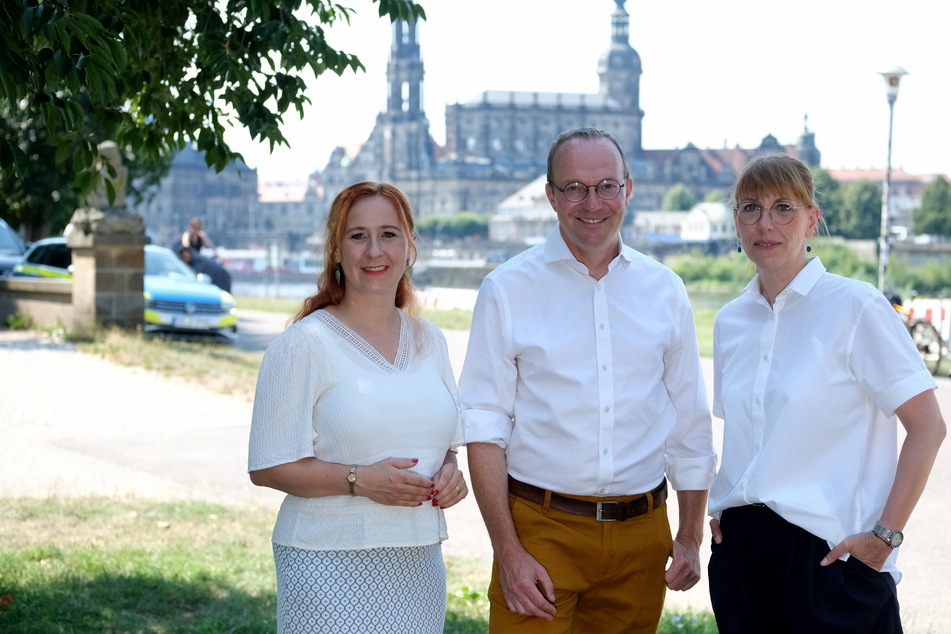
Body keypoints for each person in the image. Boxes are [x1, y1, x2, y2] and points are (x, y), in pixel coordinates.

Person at [459, 127, 717, 633]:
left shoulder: (666, 291)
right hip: (541, 530)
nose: (592, 202)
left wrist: (689, 535)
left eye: (606, 186)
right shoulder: (507, 289)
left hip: (642, 538)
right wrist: (508, 551)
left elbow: (690, 422)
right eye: (574, 187)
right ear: (551, 195)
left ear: (629, 189)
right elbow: (483, 427)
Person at [707, 154, 947, 633]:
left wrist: (885, 537)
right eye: (750, 207)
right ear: (736, 221)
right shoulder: (731, 321)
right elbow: (747, 438)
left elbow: (928, 427)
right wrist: (723, 512)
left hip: (828, 563)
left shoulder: (856, 307)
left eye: (784, 208)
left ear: (812, 219)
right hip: (742, 560)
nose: (765, 223)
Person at [247, 182, 468, 633]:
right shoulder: (302, 345)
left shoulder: (432, 342)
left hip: (418, 560)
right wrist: (359, 481)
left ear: (409, 248)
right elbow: (267, 466)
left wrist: (450, 473)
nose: (374, 251)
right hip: (326, 560)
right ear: (336, 250)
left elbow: (445, 445)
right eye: (357, 235)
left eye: (389, 234)